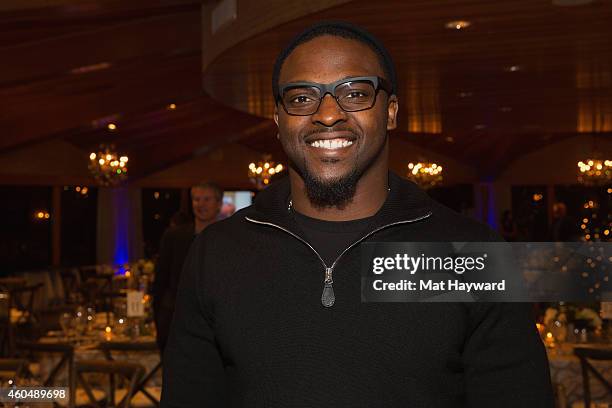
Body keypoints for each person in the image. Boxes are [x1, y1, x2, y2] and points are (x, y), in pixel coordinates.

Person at [162, 22, 553, 407]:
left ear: (391, 111)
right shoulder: (216, 253)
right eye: (301, 97)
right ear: (279, 121)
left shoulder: (471, 255)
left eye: (354, 93)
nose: (328, 114)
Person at [152, 181, 222, 353]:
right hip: (175, 323)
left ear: (219, 204)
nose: (200, 204)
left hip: (215, 326)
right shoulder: (174, 237)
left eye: (206, 199)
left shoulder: (229, 238)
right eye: (196, 199)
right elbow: (161, 280)